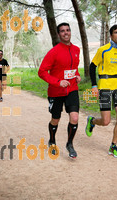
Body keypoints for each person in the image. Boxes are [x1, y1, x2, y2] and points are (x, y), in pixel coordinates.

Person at [85, 24, 117, 158]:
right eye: (116, 32)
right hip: (105, 86)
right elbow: (92, 67)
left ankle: (113, 146)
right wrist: (94, 85)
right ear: (111, 35)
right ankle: (92, 121)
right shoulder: (103, 50)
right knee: (106, 121)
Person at [38, 22, 81, 159]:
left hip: (72, 89)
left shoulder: (76, 50)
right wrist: (57, 82)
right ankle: (52, 140)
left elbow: (73, 67)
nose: (65, 33)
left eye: (67, 30)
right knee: (55, 119)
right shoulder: (54, 52)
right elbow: (42, 72)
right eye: (62, 31)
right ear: (58, 34)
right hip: (56, 92)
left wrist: (77, 75)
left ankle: (69, 144)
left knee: (74, 117)